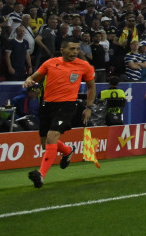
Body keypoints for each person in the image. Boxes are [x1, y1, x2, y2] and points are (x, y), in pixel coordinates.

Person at [22, 38, 96, 188]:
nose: (75, 52)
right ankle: (67, 151)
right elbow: (34, 77)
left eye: (77, 49)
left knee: (52, 137)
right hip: (47, 105)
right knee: (46, 143)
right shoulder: (50, 63)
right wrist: (29, 80)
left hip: (67, 105)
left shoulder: (84, 66)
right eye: (71, 49)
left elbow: (91, 88)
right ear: (62, 50)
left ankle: (41, 175)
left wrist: (88, 107)